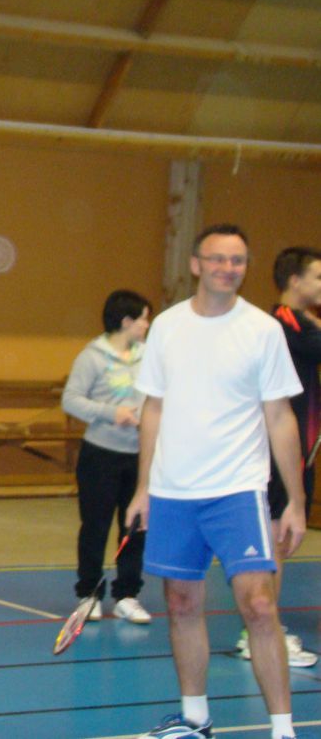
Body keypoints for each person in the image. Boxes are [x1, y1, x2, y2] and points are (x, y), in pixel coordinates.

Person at [126, 224, 308, 739]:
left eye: (239, 260)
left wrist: (294, 500)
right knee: (181, 604)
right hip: (173, 491)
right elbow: (153, 408)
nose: (229, 268)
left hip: (237, 490)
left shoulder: (262, 330)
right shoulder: (166, 326)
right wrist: (143, 488)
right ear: (197, 264)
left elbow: (280, 416)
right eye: (219, 259)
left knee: (259, 605)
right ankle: (196, 719)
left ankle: (282, 729)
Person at [236, 246, 321, 668]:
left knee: (281, 541)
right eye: (318, 278)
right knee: (274, 538)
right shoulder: (284, 324)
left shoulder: (304, 323)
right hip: (276, 451)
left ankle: (261, 626)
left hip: (299, 449)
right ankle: (258, 633)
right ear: (294, 281)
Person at [62, 290, 152, 625]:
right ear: (126, 321)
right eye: (143, 317)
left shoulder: (148, 355)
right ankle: (89, 593)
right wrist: (110, 412)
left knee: (135, 528)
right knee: (96, 526)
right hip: (100, 455)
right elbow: (71, 400)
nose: (146, 324)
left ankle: (127, 594)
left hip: (139, 456)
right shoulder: (92, 357)